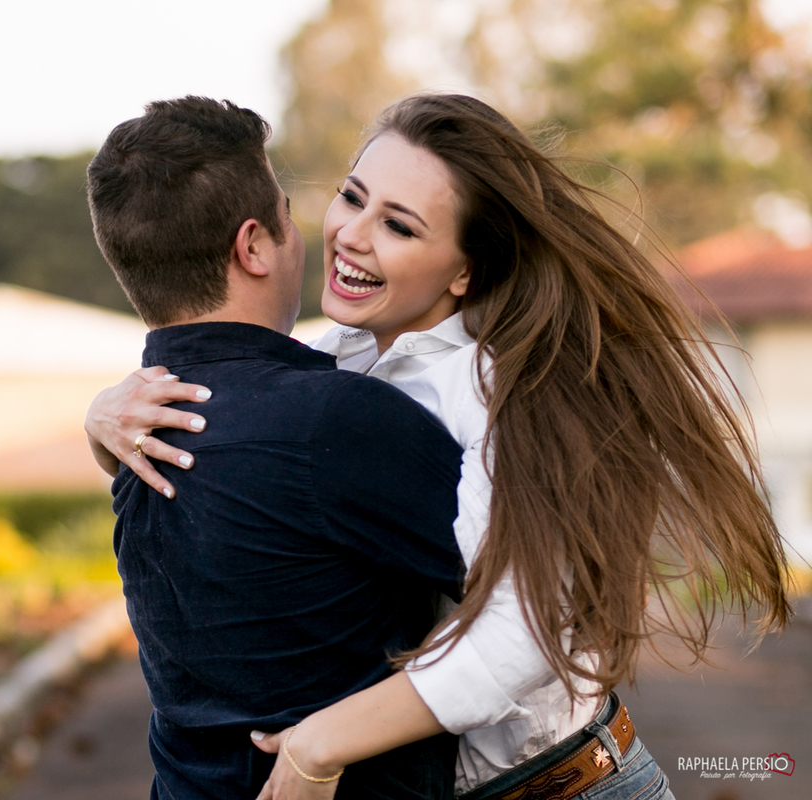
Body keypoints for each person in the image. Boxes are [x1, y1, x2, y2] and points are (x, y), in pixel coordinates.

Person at [85, 94, 792, 800]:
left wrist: (324, 741)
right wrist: (103, 423)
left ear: (464, 271)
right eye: (352, 198)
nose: (352, 235)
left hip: (562, 785)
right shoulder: (335, 361)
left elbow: (531, 627)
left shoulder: (499, 388)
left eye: (398, 225)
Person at [86, 95, 470, 800]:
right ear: (254, 245)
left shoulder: (136, 432)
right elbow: (533, 596)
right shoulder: (337, 421)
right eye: (288, 217)